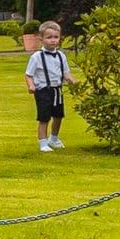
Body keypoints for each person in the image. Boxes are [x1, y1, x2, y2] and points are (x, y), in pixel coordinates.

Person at [26, 22, 72, 151]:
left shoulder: (61, 56)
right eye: (49, 37)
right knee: (44, 117)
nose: (53, 40)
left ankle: (54, 138)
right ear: (41, 39)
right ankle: (43, 142)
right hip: (43, 91)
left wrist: (73, 81)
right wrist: (31, 85)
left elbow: (66, 73)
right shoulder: (36, 57)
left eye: (56, 37)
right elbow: (28, 74)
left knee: (58, 116)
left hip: (57, 90)